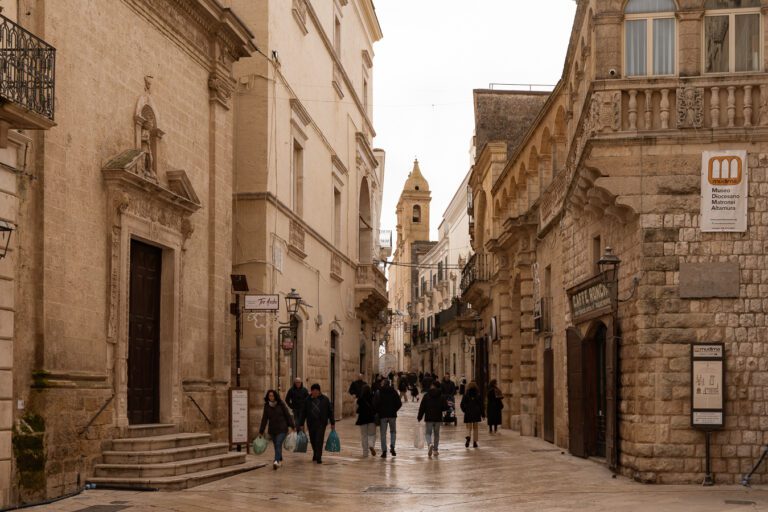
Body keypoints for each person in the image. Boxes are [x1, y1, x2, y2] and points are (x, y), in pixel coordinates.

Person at [258, 389, 295, 470]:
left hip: (282, 428)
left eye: (272, 395)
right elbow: (264, 419)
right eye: (269, 396)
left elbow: (287, 415)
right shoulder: (267, 406)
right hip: (273, 430)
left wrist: (292, 426)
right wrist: (261, 431)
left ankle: (276, 461)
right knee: (276, 446)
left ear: (275, 396)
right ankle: (280, 459)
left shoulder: (281, 404)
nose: (271, 397)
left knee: (278, 443)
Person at [300, 383, 335, 464]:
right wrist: (301, 424)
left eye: (316, 391)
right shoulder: (307, 400)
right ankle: (315, 453)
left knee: (319, 439)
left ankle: (319, 457)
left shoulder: (325, 399)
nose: (315, 392)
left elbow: (330, 412)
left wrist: (332, 422)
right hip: (311, 423)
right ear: (311, 391)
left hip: (321, 423)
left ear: (319, 391)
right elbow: (303, 413)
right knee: (312, 440)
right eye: (313, 391)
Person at [417, 382, 447, 457]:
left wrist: (419, 417)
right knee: (436, 434)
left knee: (428, 433)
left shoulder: (426, 395)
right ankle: (435, 450)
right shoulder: (442, 396)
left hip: (429, 418)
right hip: (438, 418)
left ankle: (430, 444)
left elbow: (422, 407)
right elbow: (445, 407)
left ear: (433, 386)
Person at [373, 379, 402, 458]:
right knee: (393, 431)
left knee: (383, 433)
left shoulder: (379, 392)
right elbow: (399, 403)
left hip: (383, 415)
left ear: (383, 384)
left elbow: (375, 404)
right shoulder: (394, 392)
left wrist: (379, 411)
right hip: (392, 415)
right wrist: (394, 409)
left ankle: (384, 451)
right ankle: (392, 446)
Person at [355, 384, 377, 457]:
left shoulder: (360, 398)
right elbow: (375, 407)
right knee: (371, 434)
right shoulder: (373, 397)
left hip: (362, 419)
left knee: (364, 436)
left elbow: (356, 409)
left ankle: (365, 453)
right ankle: (371, 445)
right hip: (371, 418)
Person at [460, 381, 484, 448]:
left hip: (468, 412)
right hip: (476, 413)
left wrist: (465, 410)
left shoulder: (466, 394)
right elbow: (481, 405)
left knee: (468, 427)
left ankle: (468, 437)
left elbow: (462, 404)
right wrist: (483, 414)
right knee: (475, 428)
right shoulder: (478, 394)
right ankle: (475, 442)